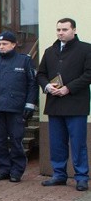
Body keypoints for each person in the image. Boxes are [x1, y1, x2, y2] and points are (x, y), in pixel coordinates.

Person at [36, 18, 91, 191]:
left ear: (74, 30)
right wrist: (47, 86)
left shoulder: (86, 49)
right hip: (55, 104)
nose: (60, 32)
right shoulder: (50, 51)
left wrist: (68, 88)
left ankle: (81, 177)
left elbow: (89, 74)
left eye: (64, 29)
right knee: (57, 143)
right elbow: (40, 74)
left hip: (76, 104)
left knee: (78, 143)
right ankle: (59, 174)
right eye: (58, 29)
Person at [0, 31, 37, 183]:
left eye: (5, 44)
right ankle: (3, 169)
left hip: (16, 108)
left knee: (16, 140)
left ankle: (17, 170)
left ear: (13, 45)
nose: (1, 46)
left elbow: (32, 84)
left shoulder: (24, 61)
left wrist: (30, 104)